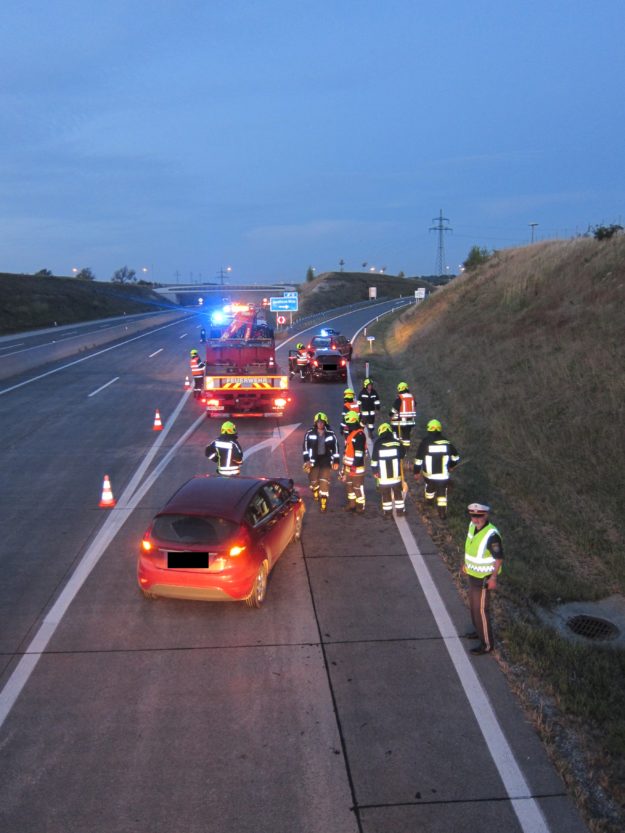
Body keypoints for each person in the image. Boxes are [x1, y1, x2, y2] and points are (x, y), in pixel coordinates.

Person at [462, 503, 504, 655]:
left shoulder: (491, 535)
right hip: (473, 574)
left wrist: (493, 578)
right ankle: (478, 631)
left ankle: (487, 644)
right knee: (474, 607)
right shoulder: (472, 526)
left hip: (484, 579)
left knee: (481, 610)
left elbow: (498, 558)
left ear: (486, 515)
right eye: (473, 516)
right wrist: (466, 564)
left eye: (478, 516)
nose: (475, 519)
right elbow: (470, 547)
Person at [413, 419, 461, 520]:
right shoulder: (446, 442)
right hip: (443, 475)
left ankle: (429, 502)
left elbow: (418, 460)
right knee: (442, 494)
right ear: (440, 429)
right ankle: (442, 514)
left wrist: (416, 472)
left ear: (429, 429)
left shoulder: (425, 442)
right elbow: (456, 457)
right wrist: (451, 465)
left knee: (429, 488)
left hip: (429, 475)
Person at [302, 412, 340, 512]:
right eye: (318, 422)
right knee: (313, 480)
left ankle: (323, 502)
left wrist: (336, 461)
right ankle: (315, 490)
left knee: (324, 481)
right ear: (315, 423)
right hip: (313, 461)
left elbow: (335, 447)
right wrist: (307, 460)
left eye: (322, 422)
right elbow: (305, 448)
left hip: (325, 460)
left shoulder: (331, 433)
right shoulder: (309, 433)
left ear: (325, 423)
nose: (320, 424)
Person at [370, 422, 405, 518]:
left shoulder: (378, 443)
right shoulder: (396, 442)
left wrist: (375, 471)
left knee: (386, 494)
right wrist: (400, 443)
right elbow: (403, 455)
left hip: (383, 477)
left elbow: (374, 460)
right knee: (398, 493)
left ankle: (388, 513)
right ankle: (400, 512)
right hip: (396, 476)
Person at [341, 410, 367, 513]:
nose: (347, 426)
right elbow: (347, 451)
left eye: (348, 424)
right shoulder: (352, 434)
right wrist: (344, 468)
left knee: (357, 487)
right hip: (348, 467)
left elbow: (359, 454)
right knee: (349, 486)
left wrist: (354, 465)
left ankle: (360, 507)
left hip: (357, 468)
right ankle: (352, 504)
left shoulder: (359, 435)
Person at [390, 381, 416, 448]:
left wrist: (390, 414)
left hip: (401, 421)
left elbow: (395, 408)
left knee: (395, 431)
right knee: (406, 435)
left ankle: (397, 445)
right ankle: (406, 448)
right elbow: (414, 405)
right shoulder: (411, 397)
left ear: (399, 389)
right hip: (410, 421)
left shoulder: (400, 397)